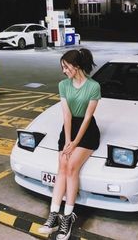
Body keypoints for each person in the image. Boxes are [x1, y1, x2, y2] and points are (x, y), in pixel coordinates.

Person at [39, 48, 101, 240]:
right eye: (62, 67)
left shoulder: (94, 86)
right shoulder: (63, 85)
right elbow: (66, 115)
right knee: (62, 166)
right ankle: (53, 215)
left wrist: (75, 143)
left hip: (87, 131)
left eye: (66, 67)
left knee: (72, 167)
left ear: (76, 66)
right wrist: (67, 140)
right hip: (68, 129)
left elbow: (87, 118)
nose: (64, 70)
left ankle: (67, 217)